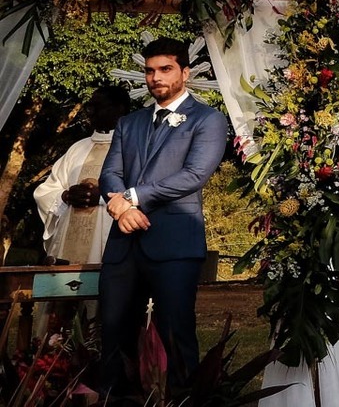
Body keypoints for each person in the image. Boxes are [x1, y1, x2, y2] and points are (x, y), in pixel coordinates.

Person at [99, 37, 228, 393]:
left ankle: (181, 401)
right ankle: (114, 400)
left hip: (174, 244)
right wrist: (122, 206)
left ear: (185, 72)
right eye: (150, 70)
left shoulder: (208, 120)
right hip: (123, 244)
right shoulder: (129, 123)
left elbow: (193, 175)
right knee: (113, 333)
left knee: (175, 333)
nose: (156, 77)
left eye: (165, 69)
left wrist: (131, 198)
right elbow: (109, 173)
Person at [35, 85, 131, 265]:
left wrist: (102, 197)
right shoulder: (77, 148)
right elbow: (46, 190)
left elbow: (142, 191)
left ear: (120, 109)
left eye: (98, 106)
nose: (91, 112)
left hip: (113, 240)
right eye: (90, 106)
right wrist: (65, 196)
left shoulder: (132, 147)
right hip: (68, 245)